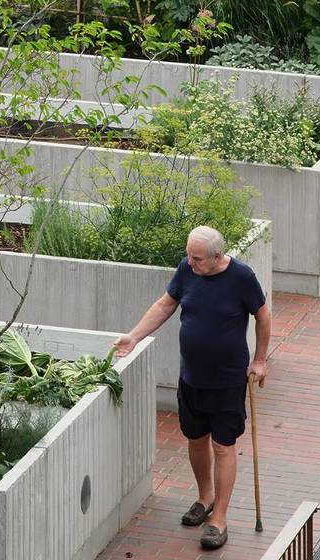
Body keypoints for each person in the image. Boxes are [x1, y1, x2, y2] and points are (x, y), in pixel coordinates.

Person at [112, 225, 271, 551]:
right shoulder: (188, 269)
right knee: (195, 440)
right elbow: (165, 305)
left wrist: (260, 360)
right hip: (191, 378)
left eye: (197, 258)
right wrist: (134, 336)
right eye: (189, 255)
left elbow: (263, 316)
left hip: (227, 382)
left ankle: (219, 519)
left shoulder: (241, 277)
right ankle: (205, 497)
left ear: (217, 257)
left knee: (223, 446)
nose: (189, 262)